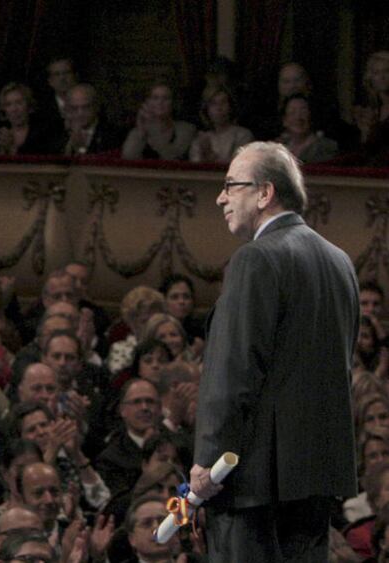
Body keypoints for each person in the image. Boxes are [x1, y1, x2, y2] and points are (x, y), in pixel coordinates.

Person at [189, 141, 359, 562]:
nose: (221, 197)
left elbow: (233, 374)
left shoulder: (256, 259)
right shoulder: (341, 262)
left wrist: (209, 463)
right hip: (316, 479)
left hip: (253, 484)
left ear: (265, 193)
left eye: (231, 185)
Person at [122, 80, 196, 160]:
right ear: (147, 102)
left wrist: (153, 128)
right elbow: (128, 157)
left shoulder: (186, 129)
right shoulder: (138, 131)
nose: (160, 102)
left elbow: (172, 157)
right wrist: (140, 133)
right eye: (155, 98)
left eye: (166, 98)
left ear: (173, 103)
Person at [189, 84, 254, 163]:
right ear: (206, 109)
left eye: (223, 102)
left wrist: (210, 155)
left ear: (231, 107)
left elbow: (237, 167)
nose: (219, 108)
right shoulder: (200, 139)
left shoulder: (243, 135)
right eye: (213, 103)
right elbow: (194, 169)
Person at [0, 82, 48, 155]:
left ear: (29, 106)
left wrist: (11, 147)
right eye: (8, 104)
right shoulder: (0, 136)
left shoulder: (42, 135)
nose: (14, 109)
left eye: (19, 103)